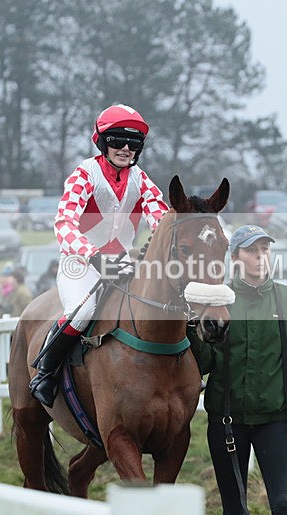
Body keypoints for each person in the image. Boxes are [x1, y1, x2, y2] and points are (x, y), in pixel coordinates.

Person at [188, 225, 287, 515]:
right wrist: (193, 327)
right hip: (227, 423)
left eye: (264, 249)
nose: (260, 256)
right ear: (235, 258)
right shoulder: (218, 300)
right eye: (251, 250)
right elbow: (205, 363)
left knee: (283, 505)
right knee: (233, 510)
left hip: (275, 421)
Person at [29, 103, 169, 406]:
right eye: (118, 140)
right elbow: (64, 223)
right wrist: (91, 255)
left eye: (133, 142)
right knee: (83, 311)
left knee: (164, 303)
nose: (126, 148)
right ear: (103, 142)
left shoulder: (142, 179)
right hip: (80, 264)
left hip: (121, 263)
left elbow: (160, 218)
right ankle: (46, 372)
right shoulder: (84, 174)